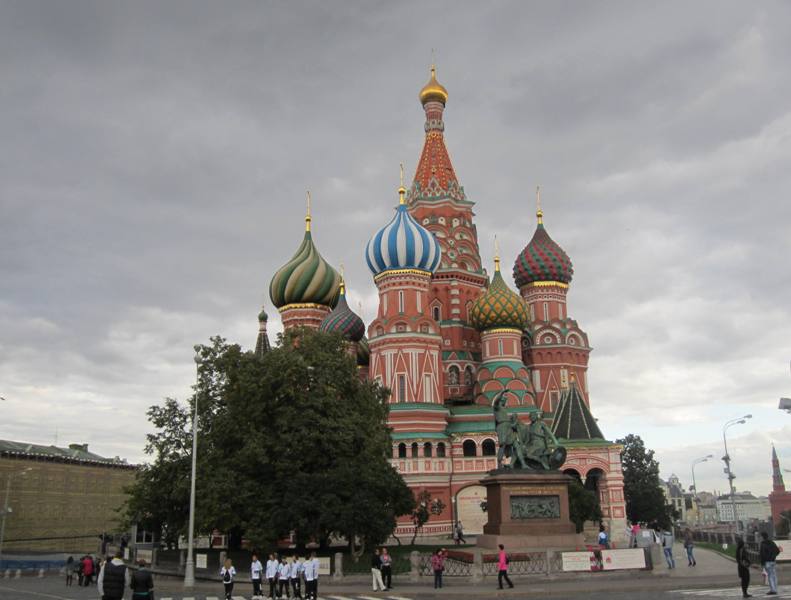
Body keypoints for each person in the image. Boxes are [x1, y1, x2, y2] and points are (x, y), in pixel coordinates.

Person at [760, 531, 780, 595]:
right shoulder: (772, 542)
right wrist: (774, 556)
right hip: (773, 561)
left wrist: (762, 563)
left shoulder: (763, 544)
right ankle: (775, 588)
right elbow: (777, 551)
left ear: (762, 537)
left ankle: (773, 590)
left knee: (770, 576)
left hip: (767, 562)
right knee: (774, 575)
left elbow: (762, 554)